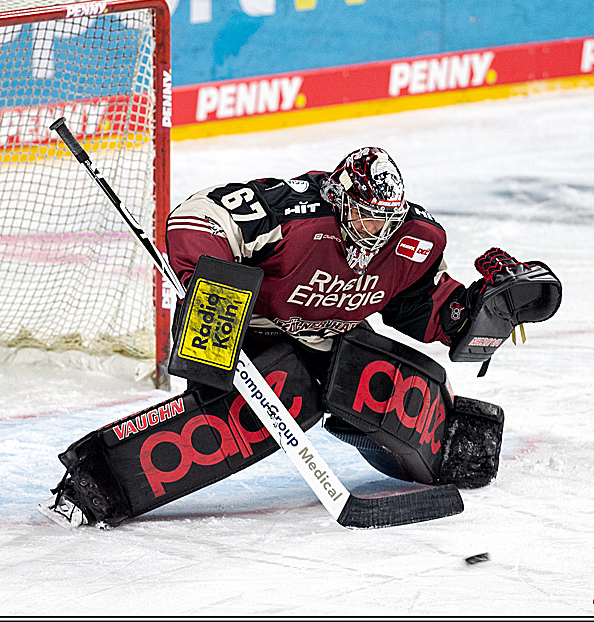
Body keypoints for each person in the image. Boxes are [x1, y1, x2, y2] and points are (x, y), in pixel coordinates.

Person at [39, 146, 557, 529]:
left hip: (334, 338)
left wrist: (476, 312)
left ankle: (450, 446)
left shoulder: (416, 239)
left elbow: (419, 307)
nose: (376, 228)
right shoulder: (291, 212)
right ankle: (97, 483)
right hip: (247, 329)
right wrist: (214, 288)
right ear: (341, 197)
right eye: (366, 213)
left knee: (375, 379)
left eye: (387, 218)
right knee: (277, 395)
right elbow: (196, 220)